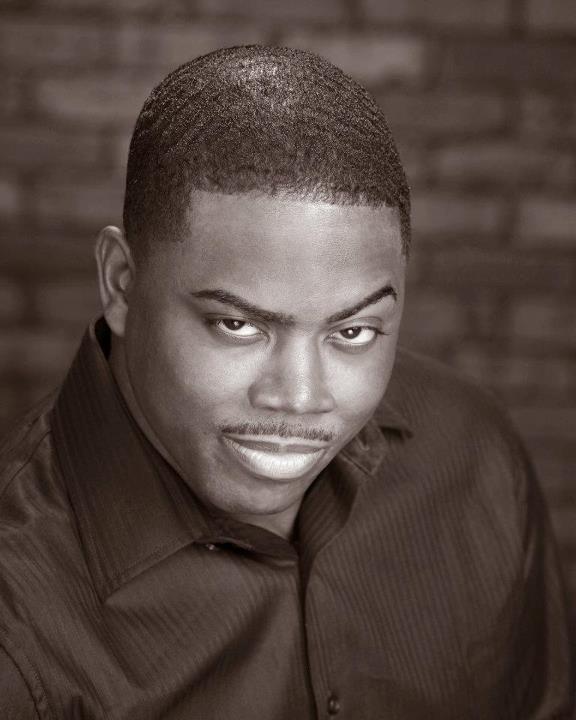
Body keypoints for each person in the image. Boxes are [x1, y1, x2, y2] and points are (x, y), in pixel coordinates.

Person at [0, 45, 573, 720]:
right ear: (121, 283)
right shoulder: (18, 626)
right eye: (238, 326)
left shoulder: (473, 458)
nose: (300, 399)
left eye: (352, 332)